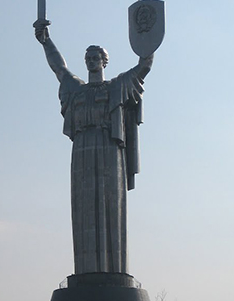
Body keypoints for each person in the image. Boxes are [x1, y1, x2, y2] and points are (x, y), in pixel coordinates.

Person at [34, 19, 153, 275]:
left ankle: (113, 270)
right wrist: (46, 41)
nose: (90, 61)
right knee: (84, 208)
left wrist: (148, 42)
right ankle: (86, 271)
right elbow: (59, 68)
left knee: (110, 204)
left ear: (104, 61)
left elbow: (144, 67)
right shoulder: (76, 90)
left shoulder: (118, 86)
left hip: (109, 148)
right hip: (82, 151)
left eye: (95, 57)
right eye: (87, 57)